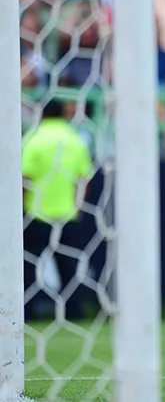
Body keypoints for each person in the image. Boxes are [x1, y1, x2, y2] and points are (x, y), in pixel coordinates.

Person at [22, 99, 94, 320]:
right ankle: (74, 314)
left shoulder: (34, 139)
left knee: (28, 269)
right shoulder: (75, 139)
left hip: (36, 213)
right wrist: (77, 206)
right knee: (70, 268)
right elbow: (84, 179)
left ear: (42, 114)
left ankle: (27, 314)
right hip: (68, 214)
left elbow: (24, 177)